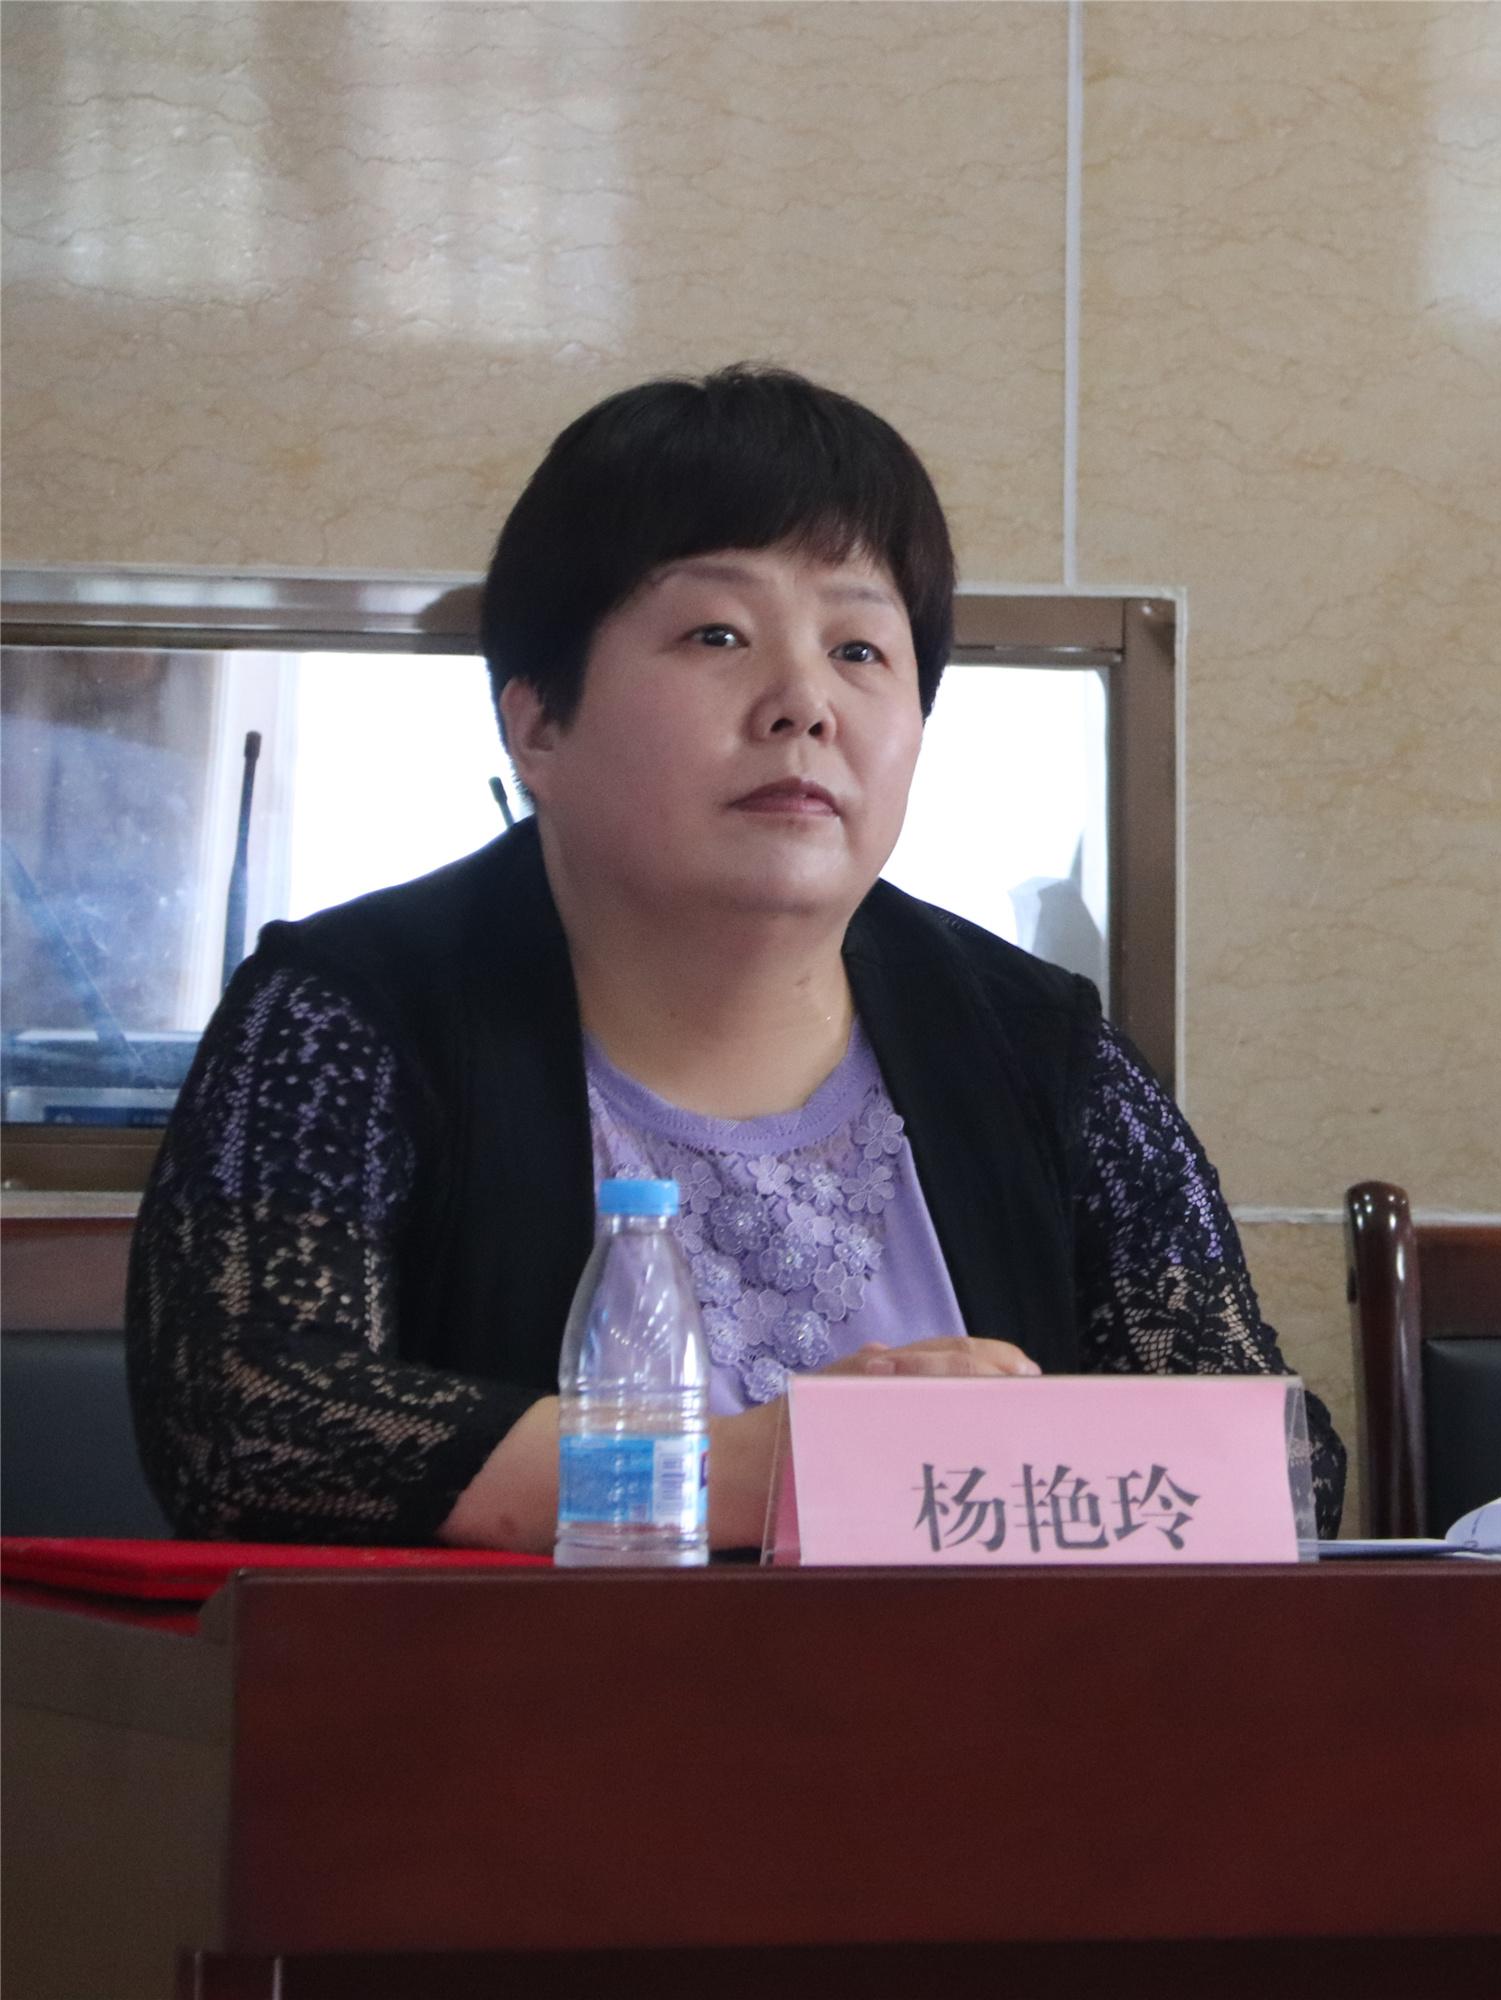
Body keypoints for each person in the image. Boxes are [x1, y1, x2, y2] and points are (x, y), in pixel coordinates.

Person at [126, 366, 1343, 1548]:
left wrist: (968, 1463)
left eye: (860, 650)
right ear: (537, 721)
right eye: (717, 632)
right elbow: (251, 1422)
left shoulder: (1038, 1047)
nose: (803, 702)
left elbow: (1280, 1466)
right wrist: (749, 1471)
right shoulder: (347, 1015)